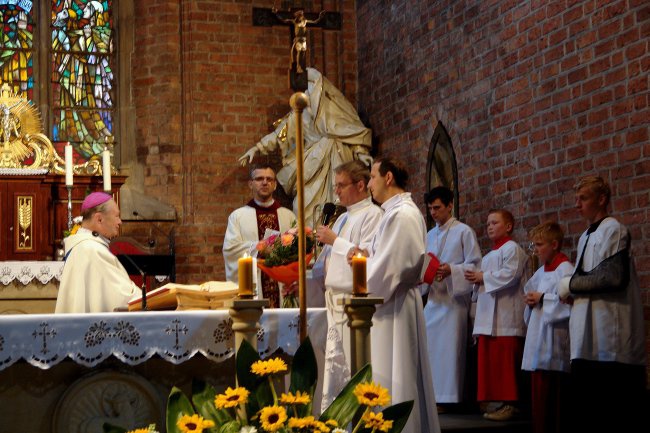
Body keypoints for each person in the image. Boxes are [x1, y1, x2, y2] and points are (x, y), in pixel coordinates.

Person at [349, 156, 440, 433]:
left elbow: (393, 269)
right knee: (389, 373)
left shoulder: (403, 214)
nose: (370, 185)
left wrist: (363, 275)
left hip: (394, 304)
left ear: (388, 178)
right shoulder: (393, 212)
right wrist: (365, 259)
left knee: (397, 375)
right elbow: (386, 259)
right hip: (391, 302)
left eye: (373, 178)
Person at [558, 176, 646, 432]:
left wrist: (570, 285)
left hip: (611, 331)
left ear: (602, 199)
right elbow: (584, 277)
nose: (577, 204)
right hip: (587, 331)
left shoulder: (614, 229)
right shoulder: (585, 235)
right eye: (577, 198)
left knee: (613, 409)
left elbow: (612, 277)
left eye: (583, 198)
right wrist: (571, 287)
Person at [238, 67, 372, 226]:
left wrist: (361, 153)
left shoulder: (334, 111)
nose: (309, 92)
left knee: (334, 212)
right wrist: (257, 148)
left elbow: (350, 133)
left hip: (333, 167)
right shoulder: (298, 114)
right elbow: (280, 135)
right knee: (304, 210)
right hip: (309, 167)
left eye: (312, 87)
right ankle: (308, 248)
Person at [306, 160, 382, 411]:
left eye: (341, 185)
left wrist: (335, 241)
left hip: (354, 305)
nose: (336, 191)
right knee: (334, 366)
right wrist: (303, 281)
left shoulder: (373, 216)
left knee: (349, 365)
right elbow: (327, 264)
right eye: (335, 186)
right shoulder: (341, 219)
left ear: (360, 185)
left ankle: (352, 418)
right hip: (333, 301)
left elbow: (365, 258)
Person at [421, 186, 482, 412]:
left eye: (437, 208)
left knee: (449, 350)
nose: (434, 213)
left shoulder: (463, 231)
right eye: (430, 209)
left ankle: (448, 399)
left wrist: (452, 271)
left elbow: (475, 264)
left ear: (449, 205)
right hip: (435, 299)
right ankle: (432, 397)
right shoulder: (429, 235)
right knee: (429, 347)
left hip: (455, 300)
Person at [464, 209, 528, 421]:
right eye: (488, 223)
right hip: (488, 317)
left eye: (495, 223)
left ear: (508, 226)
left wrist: (482, 277)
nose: (489, 226)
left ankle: (510, 404)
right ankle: (494, 402)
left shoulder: (513, 250)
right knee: (491, 363)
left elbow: (511, 275)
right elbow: (482, 283)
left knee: (505, 363)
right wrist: (476, 280)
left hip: (506, 314)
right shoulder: (490, 254)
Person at [521, 222, 573, 433]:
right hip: (538, 336)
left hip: (555, 340)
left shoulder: (566, 269)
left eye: (539, 244)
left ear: (554, 244)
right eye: (534, 245)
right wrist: (532, 300)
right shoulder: (542, 270)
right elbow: (530, 291)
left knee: (554, 402)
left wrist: (543, 298)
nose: (536, 250)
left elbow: (570, 304)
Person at [222, 164, 296, 308]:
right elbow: (230, 250)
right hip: (253, 290)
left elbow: (298, 252)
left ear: (274, 185)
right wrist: (259, 248)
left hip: (283, 290)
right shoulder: (237, 217)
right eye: (259, 179)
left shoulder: (288, 216)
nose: (264, 182)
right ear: (251, 184)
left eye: (269, 179)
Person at [55, 192, 137, 313]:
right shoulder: (92, 250)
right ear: (99, 219)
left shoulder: (82, 245)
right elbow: (122, 297)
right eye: (116, 216)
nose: (120, 222)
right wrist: (150, 298)